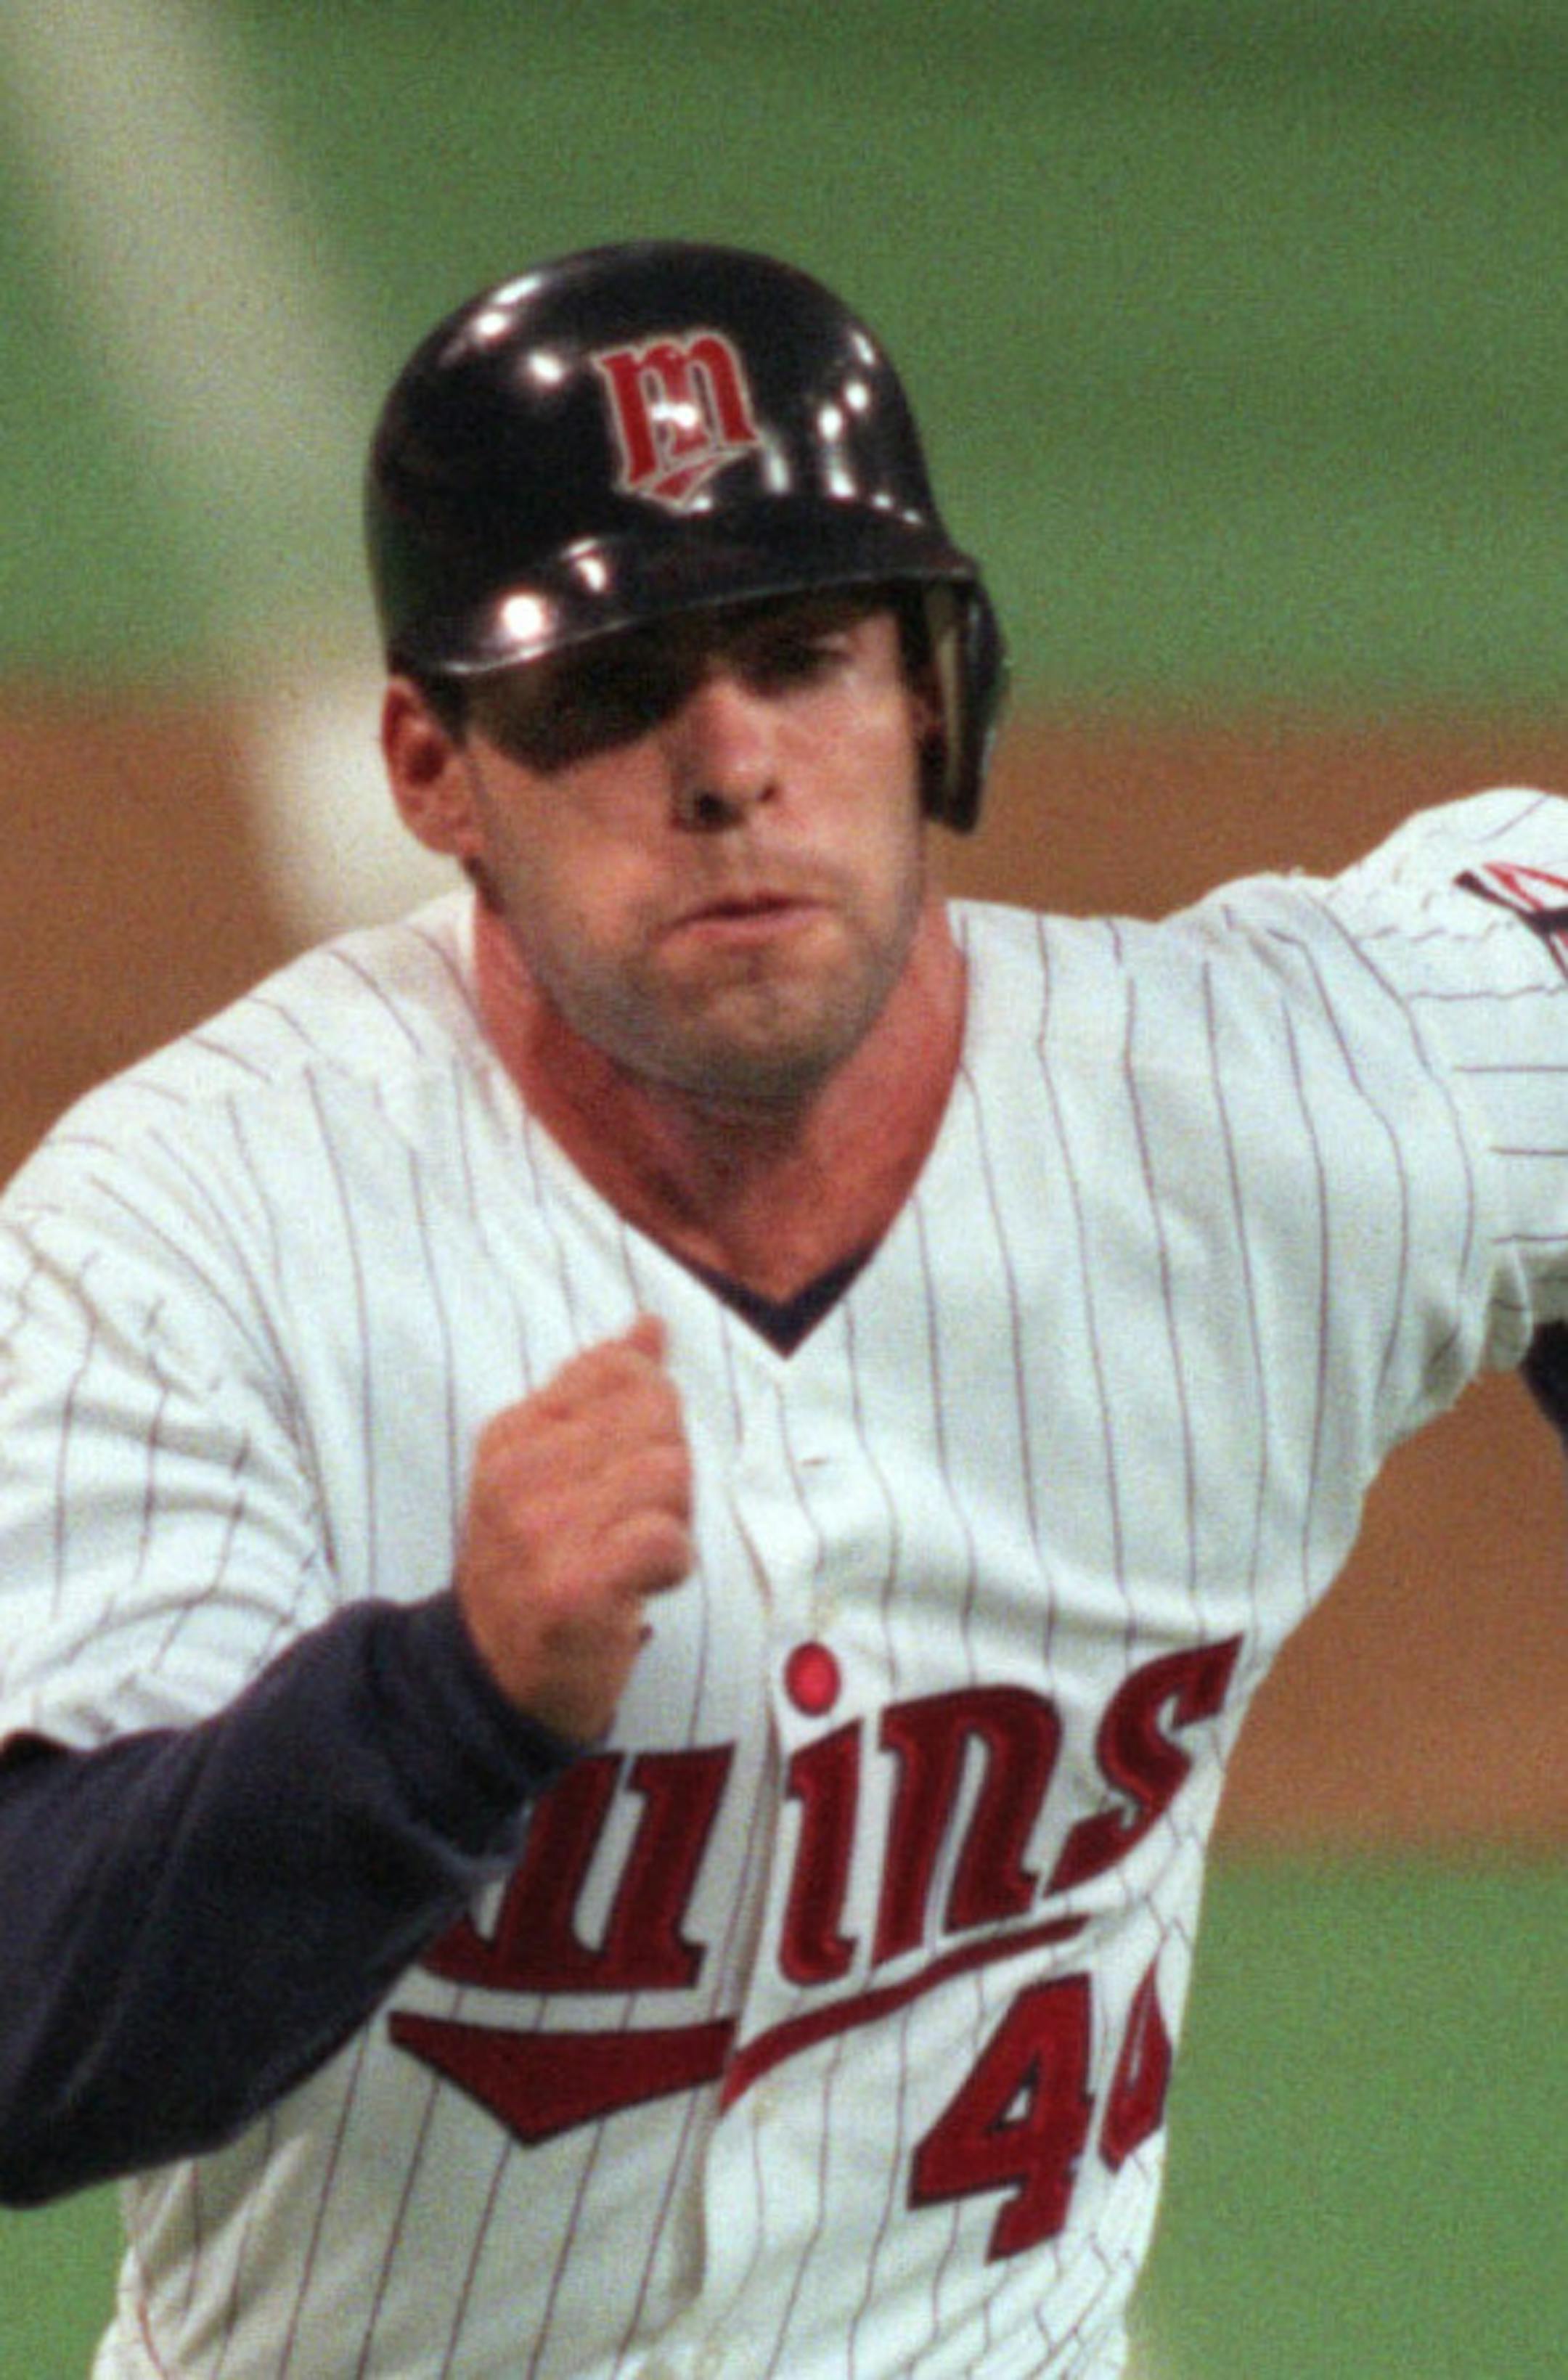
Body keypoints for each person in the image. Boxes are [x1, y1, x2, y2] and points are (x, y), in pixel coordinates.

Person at [0, 239, 1561, 2380]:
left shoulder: (1294, 1099)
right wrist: (443, 1707)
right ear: (433, 771)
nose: (727, 762)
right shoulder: (191, 1239)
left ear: (934, 691)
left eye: (802, 653)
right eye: (613, 687)